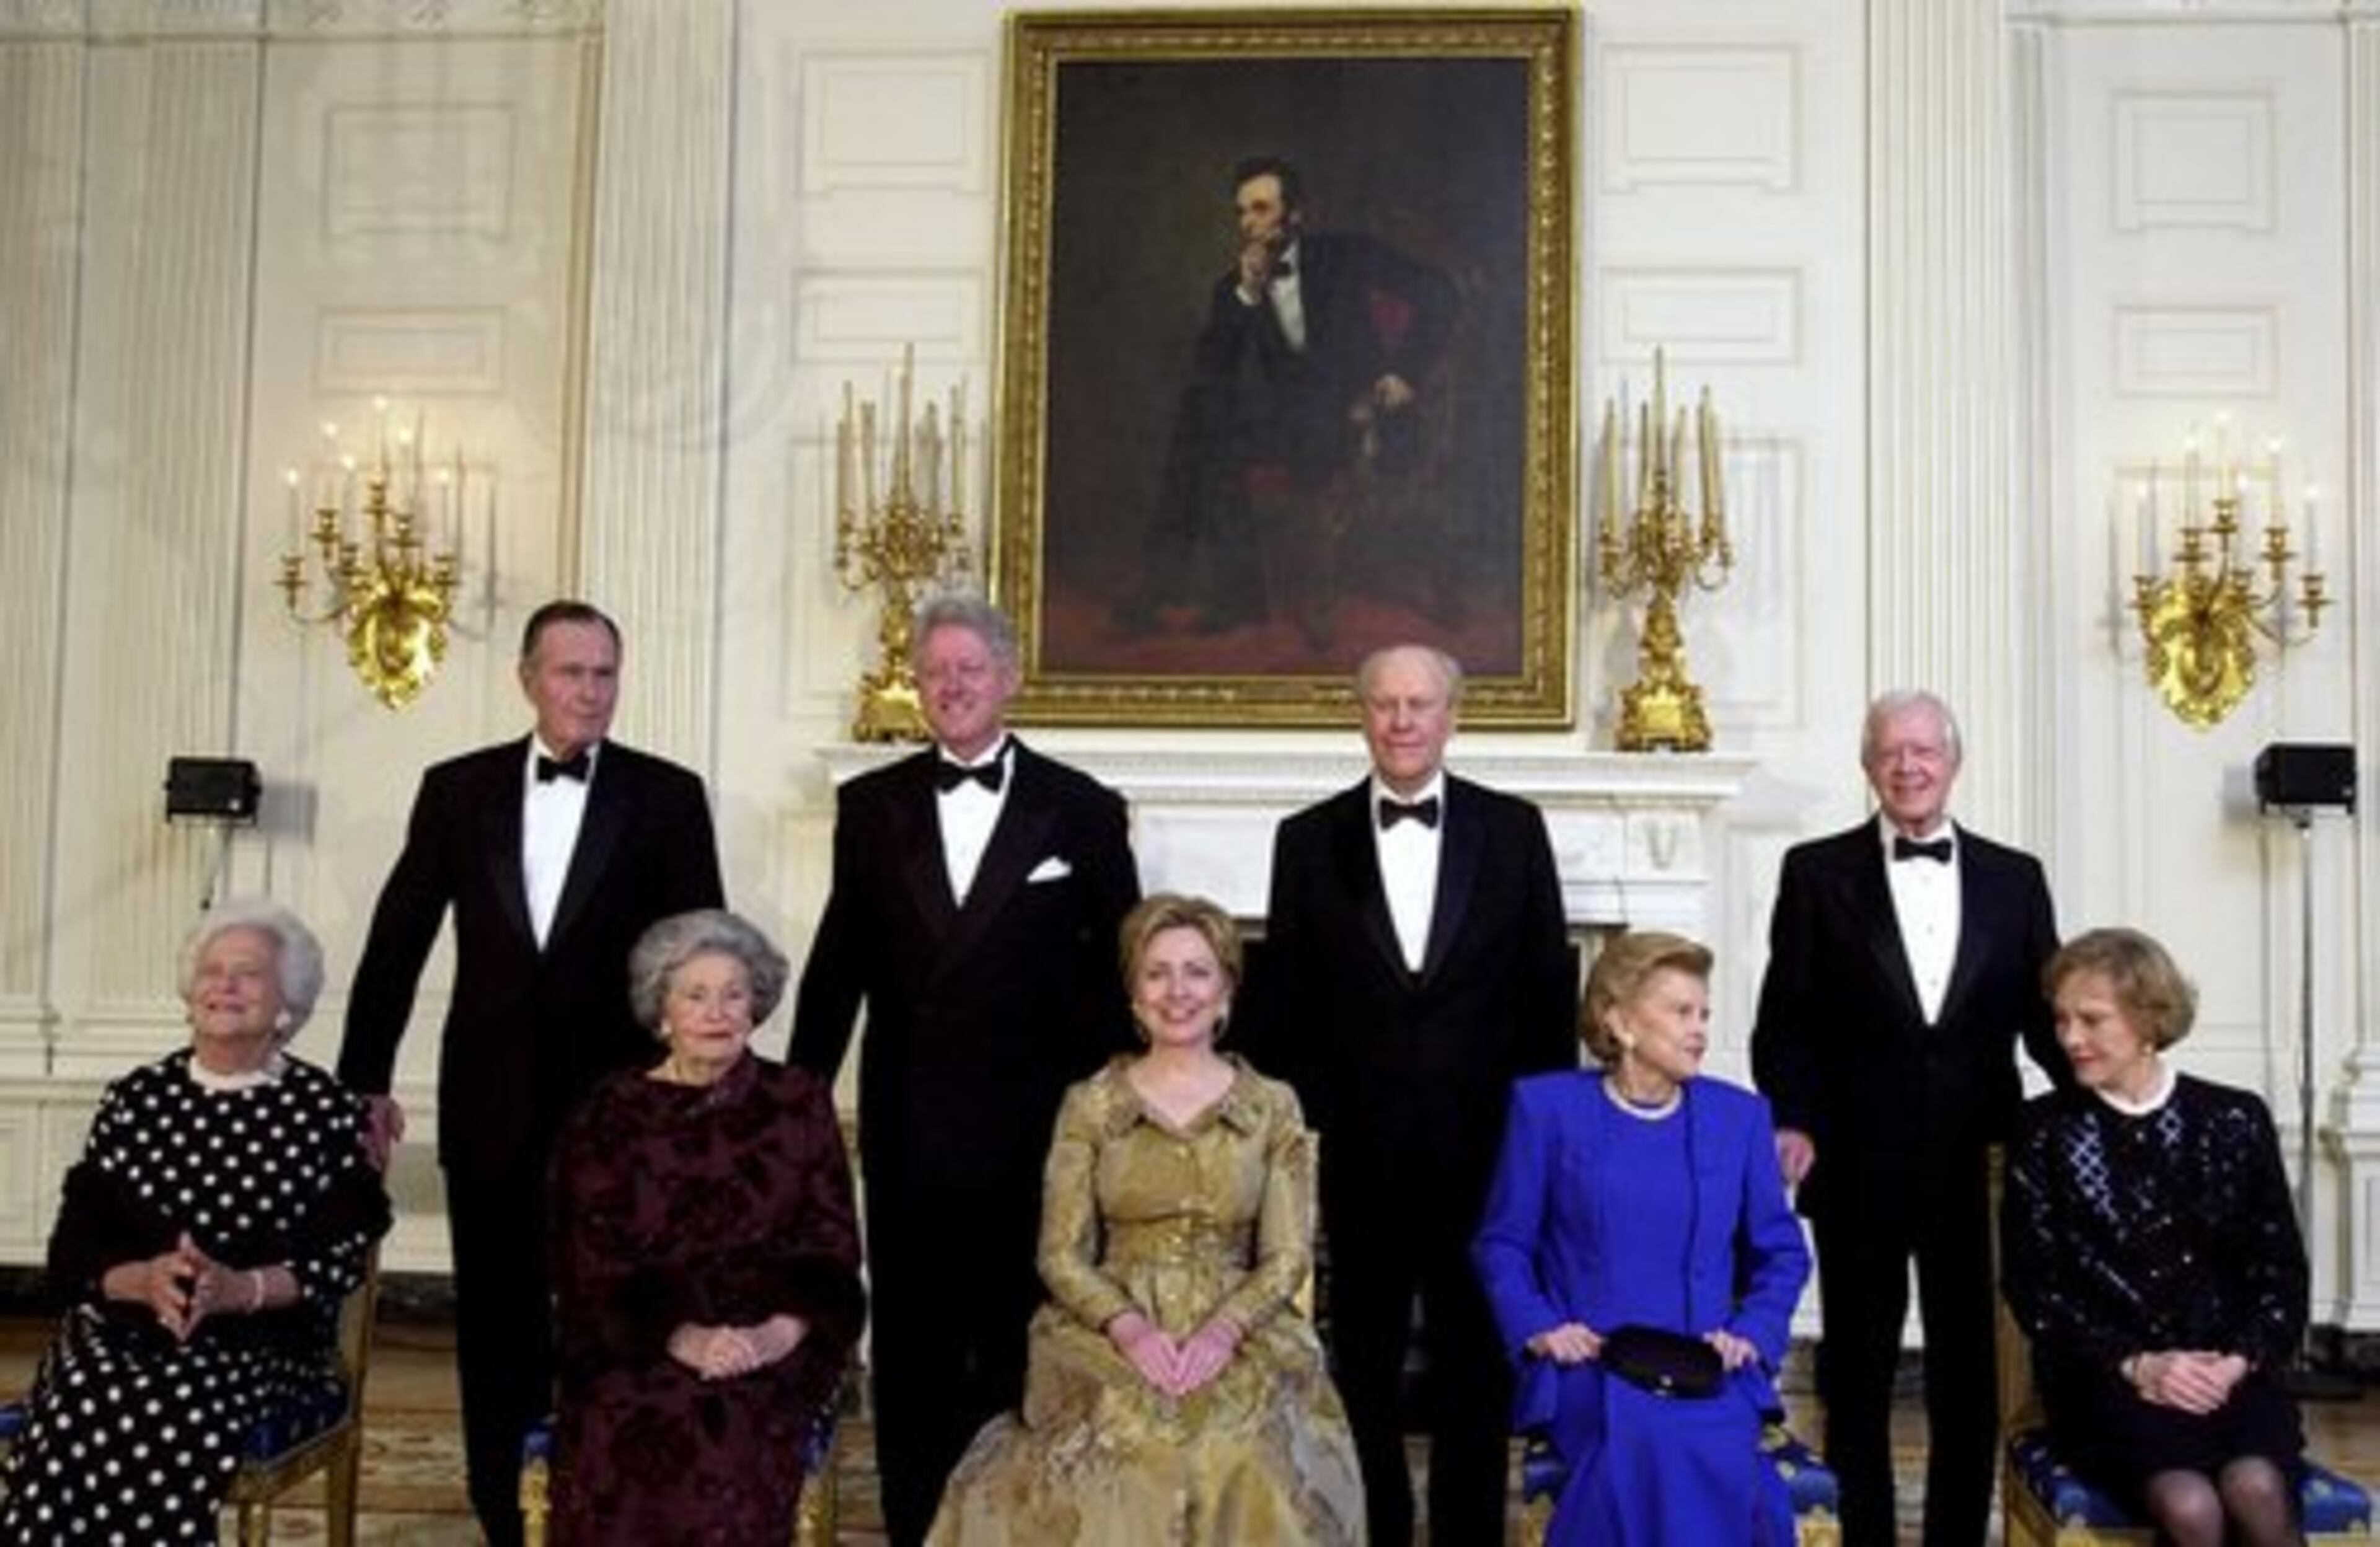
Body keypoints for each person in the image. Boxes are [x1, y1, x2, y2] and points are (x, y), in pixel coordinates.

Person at [338, 599, 725, 1546]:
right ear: (528, 679)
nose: (590, 692)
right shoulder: (456, 789)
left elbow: (700, 951)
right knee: (497, 1321)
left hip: (625, 1114)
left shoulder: (669, 794)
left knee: (621, 1313)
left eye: (604, 675)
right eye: (571, 673)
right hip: (493, 1102)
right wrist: (362, 1082)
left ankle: (610, 1494)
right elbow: (397, 943)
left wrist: (702, 1093)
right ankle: (501, 1506)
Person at [789, 594, 1142, 1547]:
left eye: (968, 670)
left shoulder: (1082, 808)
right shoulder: (871, 807)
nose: (949, 687)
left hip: (1039, 1139)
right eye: (934, 671)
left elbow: (1124, 983)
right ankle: (917, 1528)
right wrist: (792, 1101)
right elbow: (839, 966)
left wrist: (1123, 1124)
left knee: (1020, 1348)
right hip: (910, 1132)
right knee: (911, 1354)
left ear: (1010, 678)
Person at [1248, 641, 1575, 1546]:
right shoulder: (1306, 840)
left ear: (1451, 717)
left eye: (1418, 705)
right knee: (1366, 1363)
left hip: (1487, 1155)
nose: (1400, 721)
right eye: (1385, 705)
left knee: (1479, 1362)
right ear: (1363, 716)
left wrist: (1540, 1148)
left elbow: (1548, 995)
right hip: (1360, 1154)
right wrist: (1305, 1131)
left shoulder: (1514, 831)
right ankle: (1380, 1528)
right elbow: (1286, 1009)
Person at [928, 892, 1365, 1545]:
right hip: (1106, 1325)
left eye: (1197, 972)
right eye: (1157, 973)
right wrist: (1131, 1330)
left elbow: (1286, 1257)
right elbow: (1060, 1253)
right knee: (1136, 1447)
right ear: (1134, 994)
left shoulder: (1273, 1106)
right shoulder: (1090, 1104)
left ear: (1225, 990)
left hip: (1242, 1326)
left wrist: (1221, 1332)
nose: (1177, 991)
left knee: (1234, 1451)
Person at [1748, 687, 2068, 1547]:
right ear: (1868, 766)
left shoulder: (2016, 878)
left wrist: (2084, 1115)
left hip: (1981, 1158)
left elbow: (2050, 1023)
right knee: (1857, 1370)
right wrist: (1794, 1120)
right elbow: (1785, 1021)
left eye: (1925, 751)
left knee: (1969, 1373)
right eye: (1891, 752)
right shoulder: (1815, 873)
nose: (1908, 766)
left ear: (1954, 764)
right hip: (1856, 1158)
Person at [0, 902, 391, 1542]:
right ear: (190, 992)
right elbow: (75, 1250)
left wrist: (238, 1290)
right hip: (124, 1331)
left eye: (249, 973)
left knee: (172, 1404)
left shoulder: (323, 1111)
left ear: (287, 1003)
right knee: (83, 1398)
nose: (226, 984)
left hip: (258, 1347)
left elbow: (335, 1259)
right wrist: (145, 1279)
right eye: (212, 970)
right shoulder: (137, 1099)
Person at [1473, 930, 1810, 1545]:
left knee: (1708, 1452)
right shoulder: (1546, 1110)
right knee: (1648, 1444)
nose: (1699, 1029)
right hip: (1594, 1366)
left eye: (1704, 1014)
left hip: (1706, 1364)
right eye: (1680, 1012)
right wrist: (1542, 1328)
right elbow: (1503, 1244)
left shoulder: (1739, 1117)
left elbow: (1783, 1254)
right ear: (1620, 1022)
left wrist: (1751, 1335)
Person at [547, 909, 865, 1544]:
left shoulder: (798, 1099)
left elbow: (831, 1243)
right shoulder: (611, 1109)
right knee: (631, 1429)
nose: (717, 1012)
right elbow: (587, 1253)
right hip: (641, 1338)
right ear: (662, 1011)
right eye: (696, 996)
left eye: (734, 995)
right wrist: (683, 1337)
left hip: (767, 1342)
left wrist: (777, 1335)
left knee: (724, 1432)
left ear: (756, 1008)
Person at [2003, 927, 2307, 1546]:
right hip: (2106, 1383)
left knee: (2256, 1486)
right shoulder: (2042, 1132)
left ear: (2149, 1020)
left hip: (2230, 1377)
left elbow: (2280, 1272)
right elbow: (2035, 1290)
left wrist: (2235, 1362)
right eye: (2061, 1020)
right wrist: (2139, 1365)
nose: (2069, 1039)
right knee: (2190, 1504)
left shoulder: (2234, 1119)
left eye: (2091, 1020)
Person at [1124, 154, 1458, 646]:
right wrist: (1246, 295)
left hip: (1362, 414)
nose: (1248, 224)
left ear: (1294, 214)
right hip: (1294, 424)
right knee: (1202, 419)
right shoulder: (1234, 286)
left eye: (1260, 209)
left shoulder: (1347, 254)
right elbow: (1212, 371)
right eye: (1241, 212)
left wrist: (1405, 372)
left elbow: (1439, 291)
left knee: (1206, 429)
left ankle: (1169, 588)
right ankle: (1227, 596)